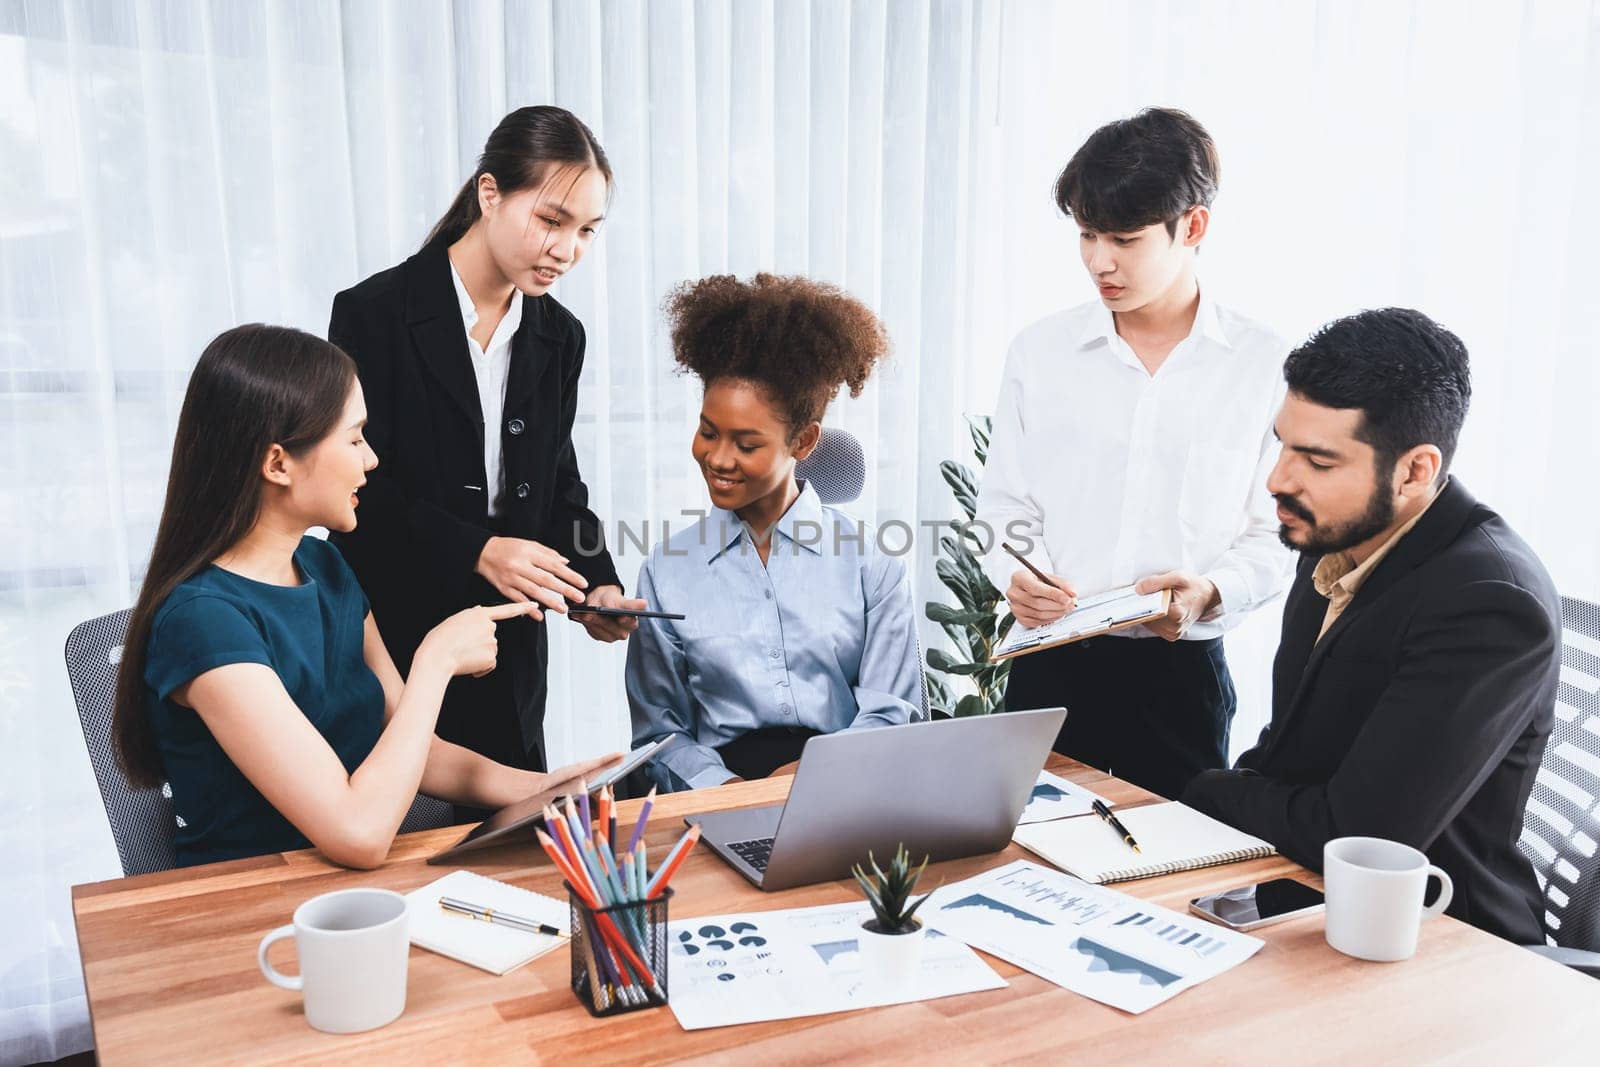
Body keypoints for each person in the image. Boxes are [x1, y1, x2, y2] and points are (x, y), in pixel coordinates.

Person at [111, 325, 619, 869]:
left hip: (347, 895)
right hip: (257, 906)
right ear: (277, 463)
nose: (371, 460)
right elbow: (358, 835)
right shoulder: (204, 622)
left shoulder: (325, 565)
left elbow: (416, 751)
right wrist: (436, 660)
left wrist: (543, 788)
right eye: (354, 439)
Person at [1183, 308, 1558, 944]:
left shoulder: (1490, 603)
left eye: (1318, 461)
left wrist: (1206, 790)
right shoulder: (1335, 537)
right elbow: (1293, 750)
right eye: (1281, 444)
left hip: (1439, 947)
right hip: (1306, 910)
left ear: (1415, 471)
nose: (1278, 480)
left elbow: (1360, 838)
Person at [977, 107, 1292, 800]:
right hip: (1050, 663)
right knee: (1018, 860)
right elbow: (1003, 502)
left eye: (1124, 237)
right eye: (1087, 234)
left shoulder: (1263, 364)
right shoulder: (1041, 352)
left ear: (1194, 227)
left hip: (1180, 677)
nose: (1099, 260)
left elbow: (1274, 534)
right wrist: (1014, 569)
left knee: (1171, 882)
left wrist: (1212, 590)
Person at [327, 106, 644, 777]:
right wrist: (479, 550)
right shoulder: (372, 314)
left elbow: (560, 490)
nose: (568, 249)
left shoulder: (562, 337)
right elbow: (356, 499)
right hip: (396, 647)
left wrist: (599, 583)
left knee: (515, 865)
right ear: (490, 193)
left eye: (587, 230)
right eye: (552, 221)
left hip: (510, 661)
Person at [626, 274, 924, 790]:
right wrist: (726, 791)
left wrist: (811, 779)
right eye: (708, 432)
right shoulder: (666, 570)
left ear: (803, 442)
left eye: (746, 444)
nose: (718, 458)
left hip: (847, 792)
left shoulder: (871, 565)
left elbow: (894, 714)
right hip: (717, 799)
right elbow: (660, 735)